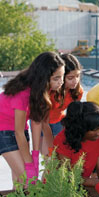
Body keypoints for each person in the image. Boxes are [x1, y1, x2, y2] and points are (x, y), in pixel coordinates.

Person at [0, 51, 65, 185]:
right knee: (29, 181)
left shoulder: (40, 90)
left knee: (19, 182)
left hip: (21, 131)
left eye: (62, 77)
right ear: (43, 77)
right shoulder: (22, 94)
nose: (61, 82)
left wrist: (35, 154)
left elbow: (36, 122)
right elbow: (18, 133)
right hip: (4, 132)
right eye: (56, 78)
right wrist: (29, 164)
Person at [53, 101, 99, 197]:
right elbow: (67, 176)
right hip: (58, 188)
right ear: (82, 129)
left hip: (81, 184)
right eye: (95, 130)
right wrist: (97, 183)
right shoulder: (62, 141)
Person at [40, 54, 84, 155]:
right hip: (42, 123)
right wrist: (51, 147)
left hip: (59, 122)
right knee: (47, 154)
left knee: (60, 155)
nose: (75, 81)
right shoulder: (49, 92)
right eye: (70, 78)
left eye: (77, 76)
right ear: (61, 76)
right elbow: (43, 123)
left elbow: (73, 116)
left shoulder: (77, 92)